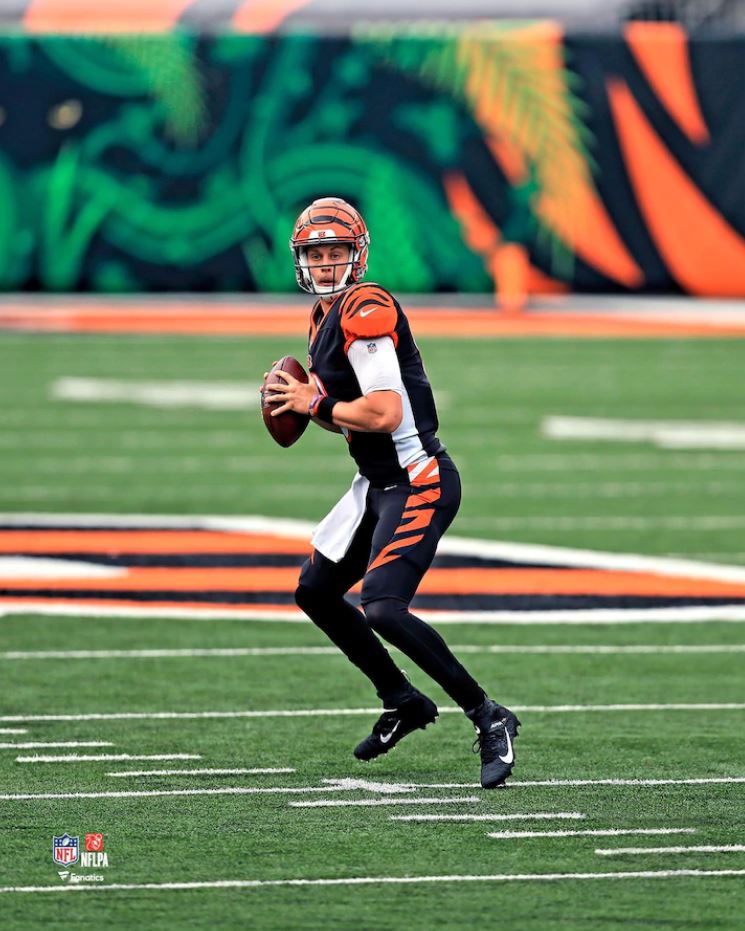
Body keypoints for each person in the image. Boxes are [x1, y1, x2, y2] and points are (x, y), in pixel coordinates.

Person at [265, 196, 520, 788]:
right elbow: (349, 419)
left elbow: (384, 412)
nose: (325, 264)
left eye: (335, 252)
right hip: (377, 484)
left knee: (381, 606)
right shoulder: (323, 317)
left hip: (417, 478)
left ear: (357, 255)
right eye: (315, 255)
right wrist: (307, 407)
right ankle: (402, 700)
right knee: (316, 592)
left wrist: (313, 402)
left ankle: (489, 714)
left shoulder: (366, 307)